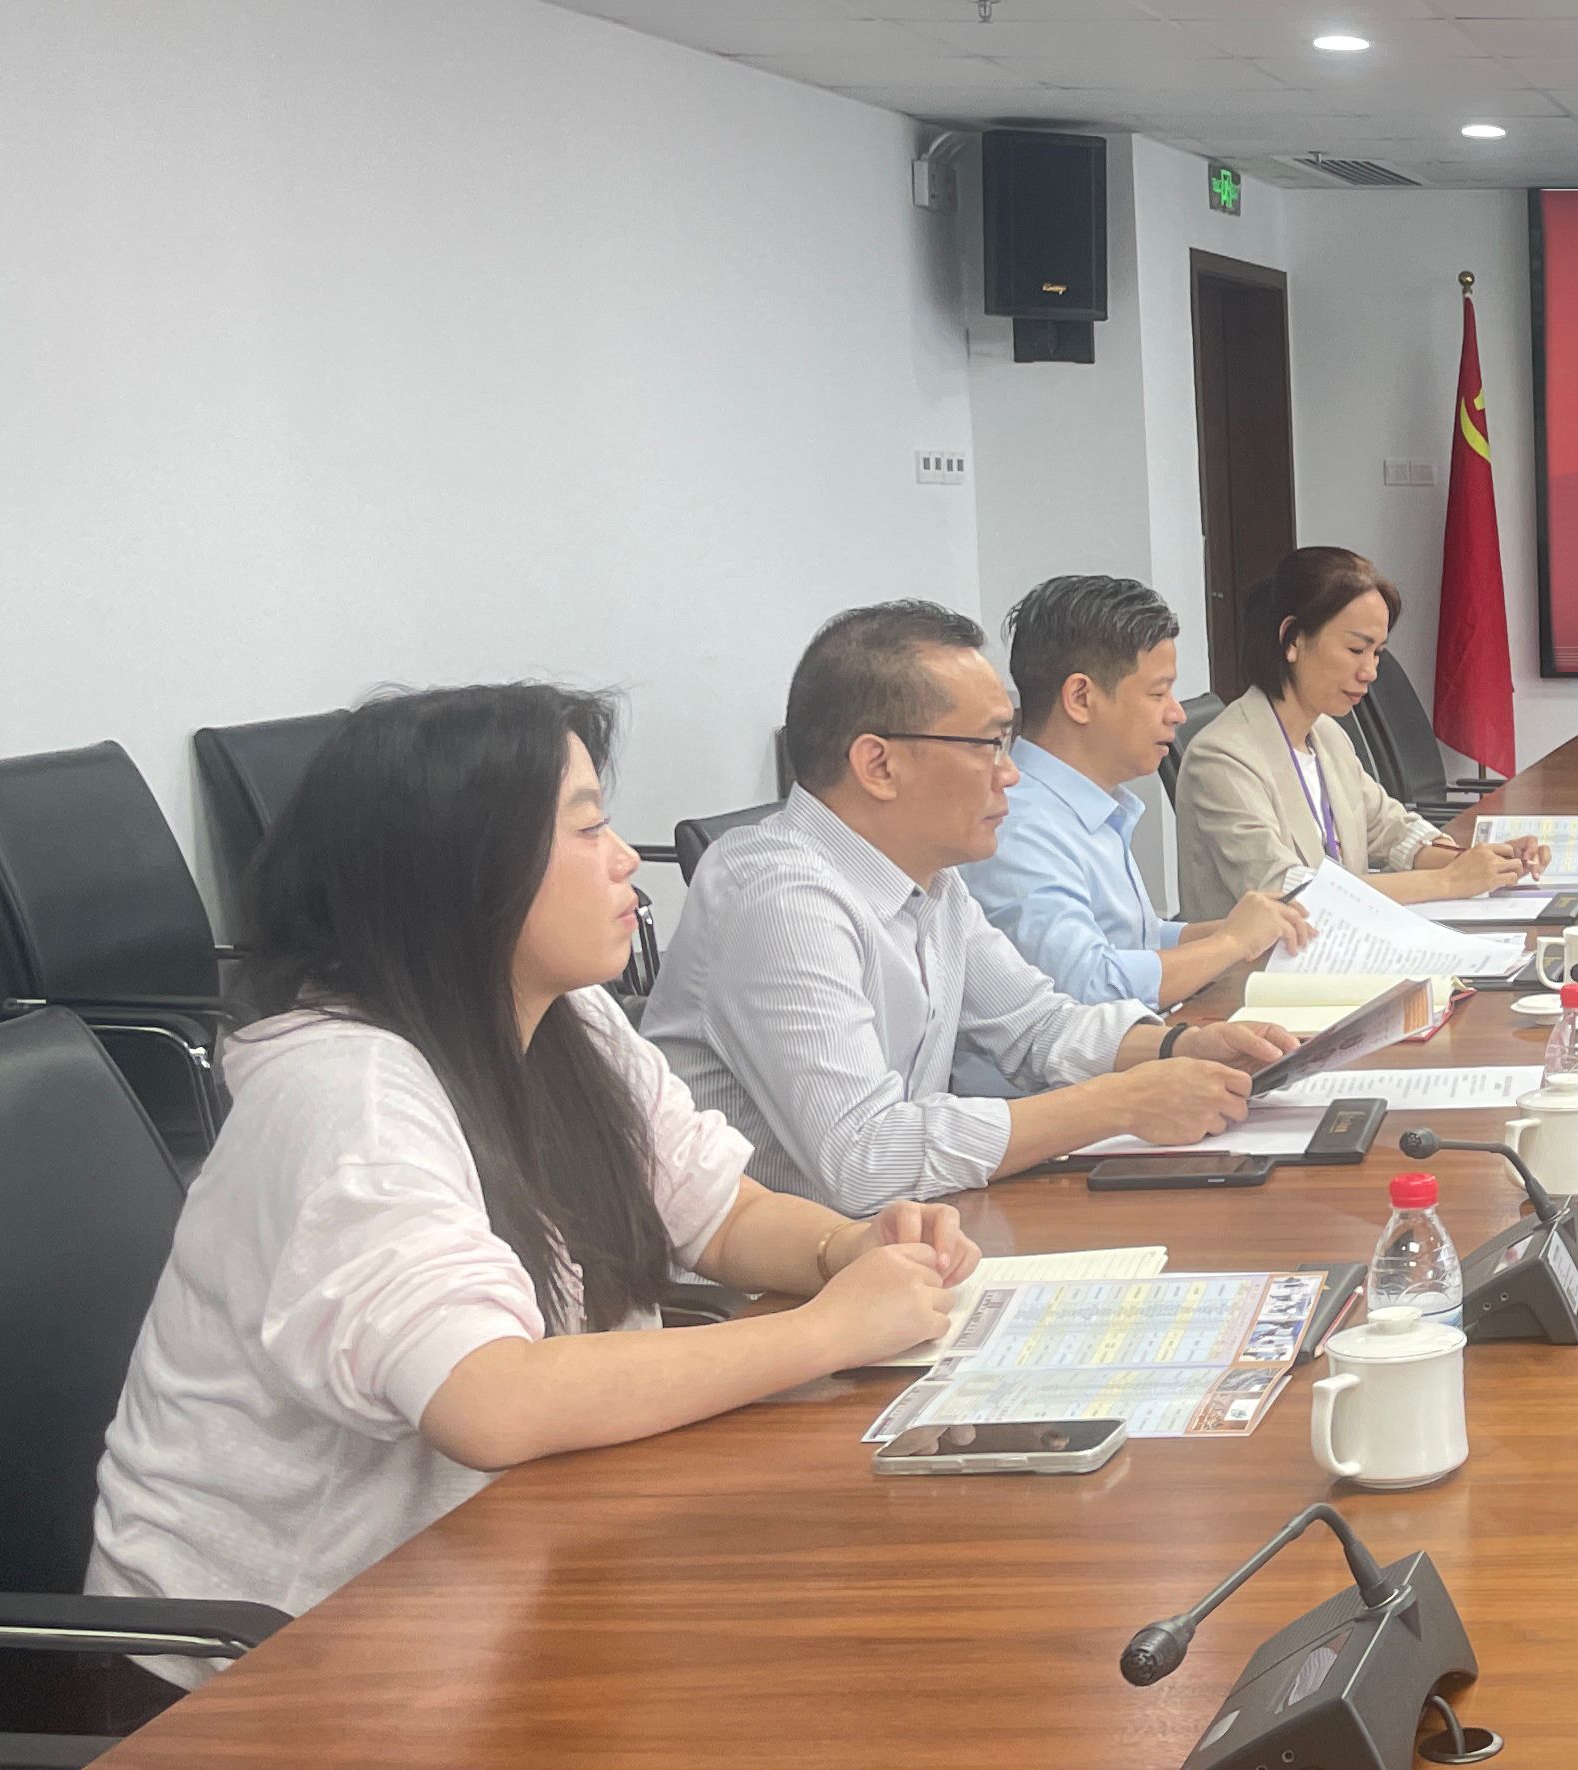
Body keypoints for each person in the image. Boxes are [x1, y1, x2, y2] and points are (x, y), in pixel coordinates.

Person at [85, 686, 984, 1672]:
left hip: (490, 1581)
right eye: (588, 828)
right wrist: (828, 1330)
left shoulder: (566, 1015)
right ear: (464, 873)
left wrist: (843, 1247)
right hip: (259, 1666)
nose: (626, 859)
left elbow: (719, 1211)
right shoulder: (349, 1094)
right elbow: (489, 1398)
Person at [646, 600, 1290, 1211]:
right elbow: (864, 1158)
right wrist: (1121, 1103)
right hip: (778, 1274)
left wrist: (1181, 1047)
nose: (1010, 773)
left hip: (901, 1237)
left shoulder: (932, 880)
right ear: (878, 765)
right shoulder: (778, 899)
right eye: (989, 745)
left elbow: (1036, 1027)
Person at [968, 573, 1314, 1015]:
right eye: (1158, 693)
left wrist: (1246, 928)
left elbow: (1137, 940)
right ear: (1080, 698)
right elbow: (1087, 985)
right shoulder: (1018, 827)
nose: (1177, 713)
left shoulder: (1089, 805)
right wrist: (1231, 942)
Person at [1176, 547, 1546, 918]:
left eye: (1377, 653)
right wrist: (1448, 881)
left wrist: (1482, 862)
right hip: (1273, 955)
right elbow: (1290, 891)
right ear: (1293, 639)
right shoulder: (1222, 758)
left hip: (1345, 944)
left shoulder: (1326, 735)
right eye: (1356, 649)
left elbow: (1390, 829)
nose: (1370, 672)